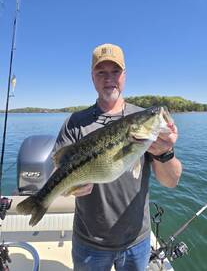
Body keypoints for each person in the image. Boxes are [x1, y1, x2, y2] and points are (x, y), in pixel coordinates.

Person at [53, 43, 182, 271]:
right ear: (92, 77)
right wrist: (68, 188)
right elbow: (58, 174)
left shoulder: (142, 120)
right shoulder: (74, 123)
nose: (108, 78)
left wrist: (165, 152)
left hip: (137, 240)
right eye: (101, 72)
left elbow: (171, 182)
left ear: (125, 76)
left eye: (115, 71)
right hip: (89, 242)